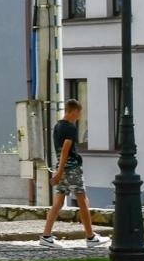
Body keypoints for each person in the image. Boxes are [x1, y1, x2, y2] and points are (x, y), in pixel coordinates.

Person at [38, 99, 108, 248]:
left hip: (63, 168)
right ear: (72, 111)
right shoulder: (70, 128)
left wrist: (59, 171)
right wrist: (59, 172)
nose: (78, 117)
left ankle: (46, 236)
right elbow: (65, 150)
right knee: (83, 201)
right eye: (77, 114)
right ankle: (90, 237)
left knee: (58, 203)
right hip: (71, 169)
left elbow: (59, 151)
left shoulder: (57, 126)